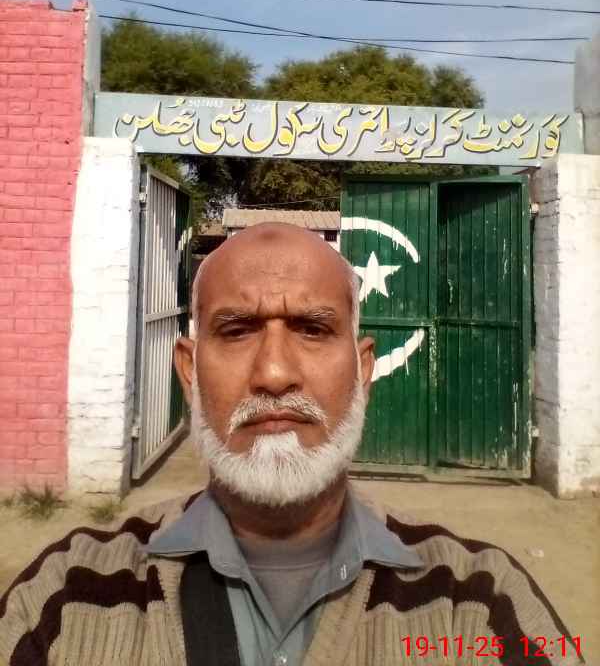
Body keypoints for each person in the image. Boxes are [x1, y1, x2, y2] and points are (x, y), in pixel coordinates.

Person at [0, 223, 584, 666]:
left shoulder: (477, 602)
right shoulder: (65, 596)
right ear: (189, 372)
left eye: (312, 329)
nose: (275, 373)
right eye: (236, 331)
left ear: (363, 371)